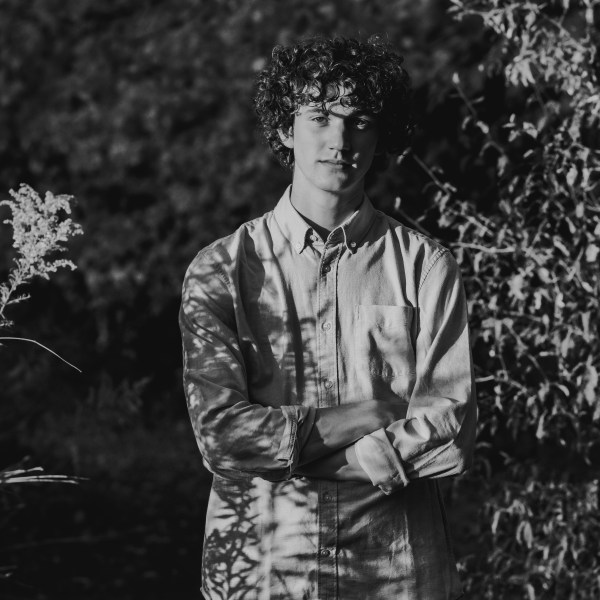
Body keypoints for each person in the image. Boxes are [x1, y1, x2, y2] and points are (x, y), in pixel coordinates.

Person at [180, 35, 477, 600]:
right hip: (264, 570)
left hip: (395, 572)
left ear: (380, 134)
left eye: (359, 120)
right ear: (286, 129)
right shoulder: (222, 269)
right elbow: (222, 437)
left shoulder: (425, 266)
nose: (340, 140)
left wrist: (290, 455)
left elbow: (451, 433)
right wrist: (373, 415)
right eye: (319, 117)